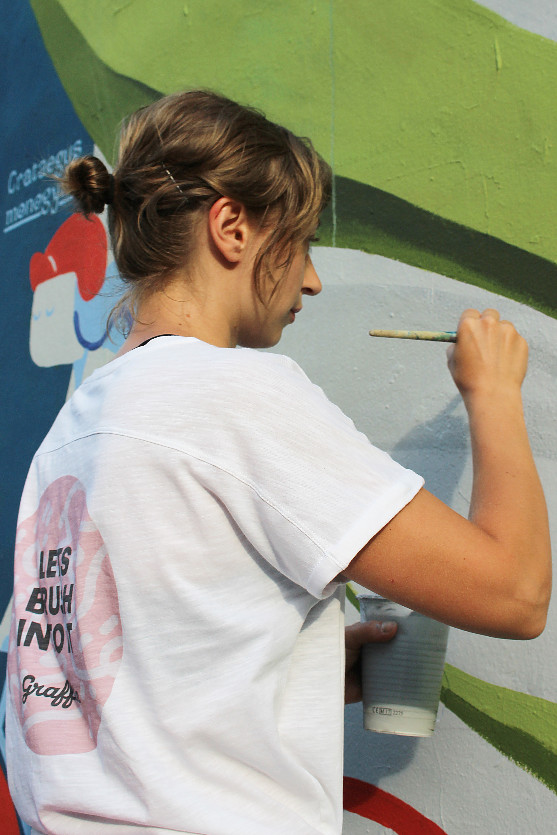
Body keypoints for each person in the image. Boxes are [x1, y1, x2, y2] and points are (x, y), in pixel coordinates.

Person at [6, 90, 551, 835]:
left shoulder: (73, 433)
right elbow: (514, 593)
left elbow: (104, 685)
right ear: (231, 227)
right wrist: (493, 395)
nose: (312, 280)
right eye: (298, 242)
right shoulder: (229, 395)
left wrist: (299, 668)